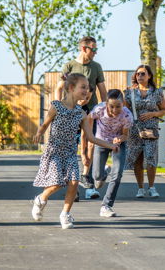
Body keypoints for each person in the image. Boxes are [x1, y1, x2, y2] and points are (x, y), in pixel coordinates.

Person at [32, 73, 117, 229]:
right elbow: (45, 124)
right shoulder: (56, 106)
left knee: (74, 182)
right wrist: (39, 133)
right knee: (57, 183)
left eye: (87, 88)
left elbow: (91, 137)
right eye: (83, 87)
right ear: (71, 88)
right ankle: (41, 199)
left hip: (70, 153)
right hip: (55, 151)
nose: (86, 91)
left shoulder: (82, 114)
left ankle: (65, 214)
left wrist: (110, 145)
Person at [55, 36, 107, 199]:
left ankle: (87, 179)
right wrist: (58, 107)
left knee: (89, 144)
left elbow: (102, 90)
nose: (95, 53)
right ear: (84, 49)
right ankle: (73, 186)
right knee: (71, 146)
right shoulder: (69, 66)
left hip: (90, 110)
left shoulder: (96, 67)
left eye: (96, 49)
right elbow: (59, 88)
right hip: (71, 110)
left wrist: (105, 109)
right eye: (93, 49)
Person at [124, 65, 165, 198]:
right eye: (138, 74)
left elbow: (164, 110)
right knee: (138, 159)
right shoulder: (129, 92)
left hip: (150, 129)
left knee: (151, 158)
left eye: (143, 74)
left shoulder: (157, 92)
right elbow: (125, 112)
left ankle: (152, 187)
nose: (140, 76)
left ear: (149, 76)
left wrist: (152, 114)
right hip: (134, 130)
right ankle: (140, 188)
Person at [89, 89, 133, 217]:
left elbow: (126, 135)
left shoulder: (127, 115)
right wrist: (90, 138)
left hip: (118, 144)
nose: (114, 110)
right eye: (111, 106)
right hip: (101, 142)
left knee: (118, 173)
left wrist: (120, 139)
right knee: (96, 176)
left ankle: (106, 205)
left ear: (123, 103)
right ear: (106, 104)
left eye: (118, 106)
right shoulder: (99, 109)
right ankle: (103, 173)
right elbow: (88, 119)